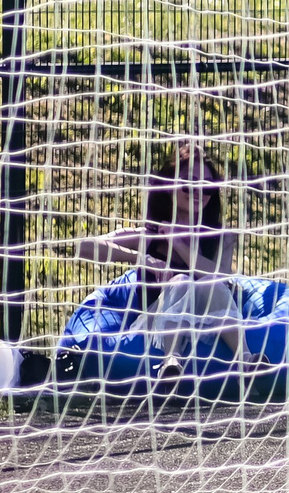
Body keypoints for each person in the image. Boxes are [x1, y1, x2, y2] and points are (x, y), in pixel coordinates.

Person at [73, 146, 247, 379]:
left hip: (210, 321)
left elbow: (222, 277)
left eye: (207, 186)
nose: (198, 191)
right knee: (182, 282)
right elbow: (83, 246)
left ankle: (246, 359)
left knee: (207, 283)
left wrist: (179, 243)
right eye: (189, 182)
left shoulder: (221, 237)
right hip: (152, 328)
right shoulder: (150, 236)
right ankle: (171, 361)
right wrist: (141, 258)